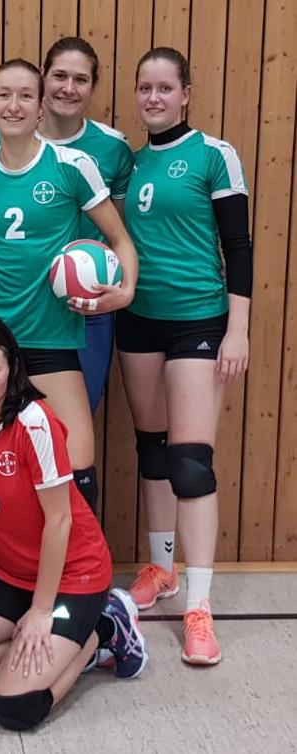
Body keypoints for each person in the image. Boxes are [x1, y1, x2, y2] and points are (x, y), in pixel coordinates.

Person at [0, 316, 147, 731]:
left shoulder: (33, 420)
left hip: (74, 575)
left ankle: (105, 628)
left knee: (14, 707)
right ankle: (34, 642)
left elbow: (59, 520)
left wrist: (42, 612)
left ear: (12, 367)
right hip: (9, 573)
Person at [0, 59, 138, 515]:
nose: (13, 105)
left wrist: (126, 289)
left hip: (52, 336)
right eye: (3, 95)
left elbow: (119, 240)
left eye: (24, 96)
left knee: (77, 464)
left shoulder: (72, 165)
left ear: (40, 107)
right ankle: (15, 555)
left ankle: (77, 560)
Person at [120, 47, 251, 665]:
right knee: (152, 450)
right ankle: (161, 569)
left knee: (191, 462)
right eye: (145, 87)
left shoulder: (213, 154)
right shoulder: (132, 162)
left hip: (198, 319)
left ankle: (199, 608)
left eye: (165, 87)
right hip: (138, 319)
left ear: (186, 93)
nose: (153, 97)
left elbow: (239, 247)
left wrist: (238, 330)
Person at [38, 37, 135, 415]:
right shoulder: (14, 138)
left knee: (75, 425)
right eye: (60, 76)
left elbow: (119, 233)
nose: (68, 88)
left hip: (89, 306)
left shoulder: (113, 147)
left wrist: (123, 288)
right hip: (26, 304)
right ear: (43, 76)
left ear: (93, 87)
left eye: (80, 79)